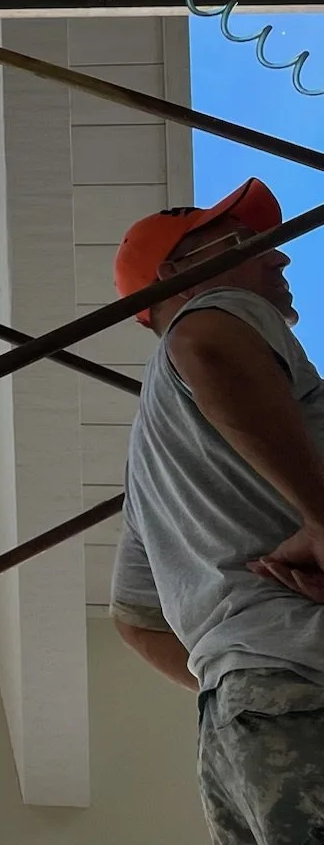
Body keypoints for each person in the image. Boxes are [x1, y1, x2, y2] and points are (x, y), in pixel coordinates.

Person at [109, 177, 324, 842]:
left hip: (245, 723)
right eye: (243, 244)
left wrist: (240, 660)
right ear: (178, 276)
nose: (277, 255)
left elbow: (136, 620)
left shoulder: (150, 475)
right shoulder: (218, 309)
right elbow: (204, 343)